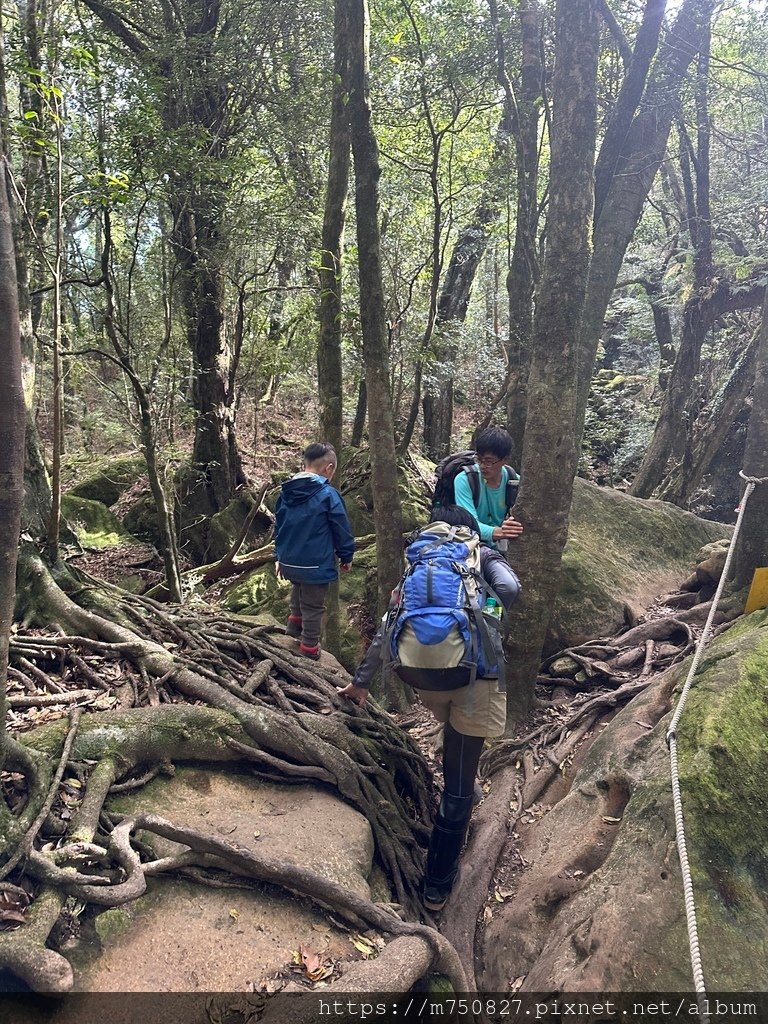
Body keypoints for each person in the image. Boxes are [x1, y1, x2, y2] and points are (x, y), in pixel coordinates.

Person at [339, 505, 521, 912]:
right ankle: (437, 884)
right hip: (472, 675)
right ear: (469, 529)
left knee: (454, 727)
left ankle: (461, 779)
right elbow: (508, 590)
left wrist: (362, 682)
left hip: (418, 674)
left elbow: (391, 621)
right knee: (458, 783)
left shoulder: (417, 558)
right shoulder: (479, 553)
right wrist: (486, 619)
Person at [274, 442, 355, 660]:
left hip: (289, 561)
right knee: (313, 603)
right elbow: (341, 528)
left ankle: (293, 625)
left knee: (299, 588)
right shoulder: (328, 494)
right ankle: (309, 647)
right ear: (328, 468)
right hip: (315, 563)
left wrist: (279, 557)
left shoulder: (285, 492)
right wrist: (346, 555)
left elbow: (279, 527)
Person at [453, 425, 524, 549]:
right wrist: (500, 532)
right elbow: (468, 524)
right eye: (479, 460)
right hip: (470, 546)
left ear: (505, 460)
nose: (483, 466)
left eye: (489, 461)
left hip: (500, 548)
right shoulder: (465, 480)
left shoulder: (514, 481)